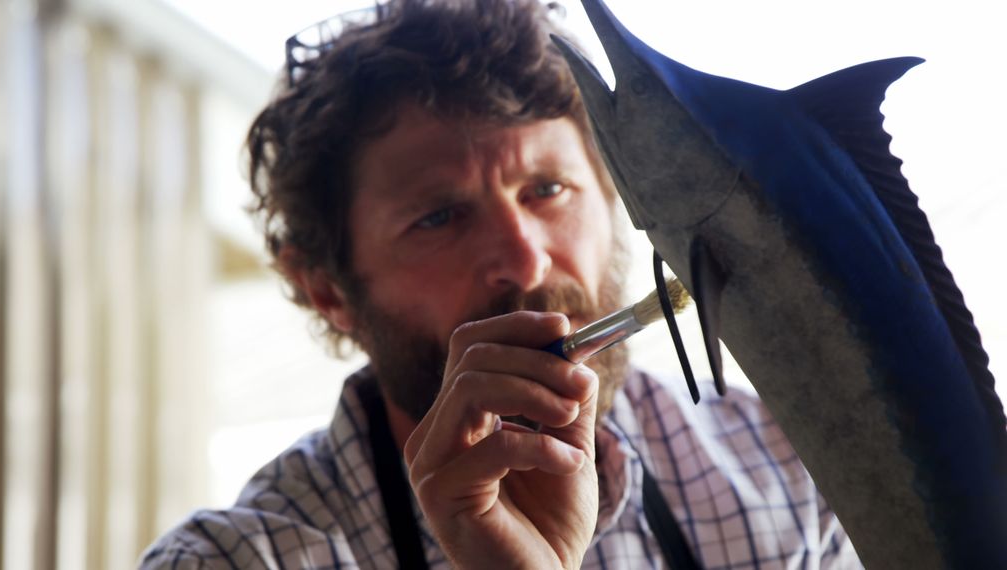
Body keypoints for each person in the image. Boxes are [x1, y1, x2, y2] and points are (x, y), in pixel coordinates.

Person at [141, 0, 860, 567]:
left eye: (548, 189)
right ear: (327, 290)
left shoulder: (792, 466)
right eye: (441, 216)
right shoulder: (236, 561)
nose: (525, 261)